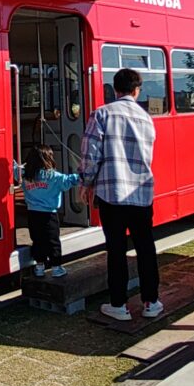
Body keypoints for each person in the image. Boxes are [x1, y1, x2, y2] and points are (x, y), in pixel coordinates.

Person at [80, 68, 162, 321]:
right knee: (145, 247)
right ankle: (151, 302)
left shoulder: (102, 114)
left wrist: (86, 182)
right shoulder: (145, 118)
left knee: (116, 250)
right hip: (141, 193)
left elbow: (90, 152)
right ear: (137, 90)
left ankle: (119, 305)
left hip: (111, 192)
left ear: (114, 90)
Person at [20, 145, 80, 278]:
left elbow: (14, 170)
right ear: (49, 159)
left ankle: (39, 266)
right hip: (49, 215)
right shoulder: (53, 176)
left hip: (32, 214)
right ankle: (56, 267)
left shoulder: (26, 176)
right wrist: (83, 175)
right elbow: (69, 181)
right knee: (53, 241)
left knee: (37, 240)